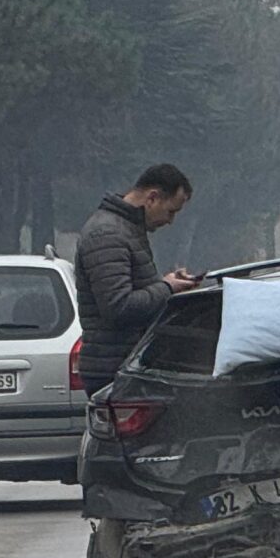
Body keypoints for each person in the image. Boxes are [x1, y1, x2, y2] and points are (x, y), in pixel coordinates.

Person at [74, 164, 197, 394]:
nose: (170, 221)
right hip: (114, 368)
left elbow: (129, 288)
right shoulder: (108, 234)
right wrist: (166, 288)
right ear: (152, 198)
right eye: (171, 211)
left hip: (122, 362)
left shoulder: (125, 230)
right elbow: (118, 307)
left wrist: (167, 284)